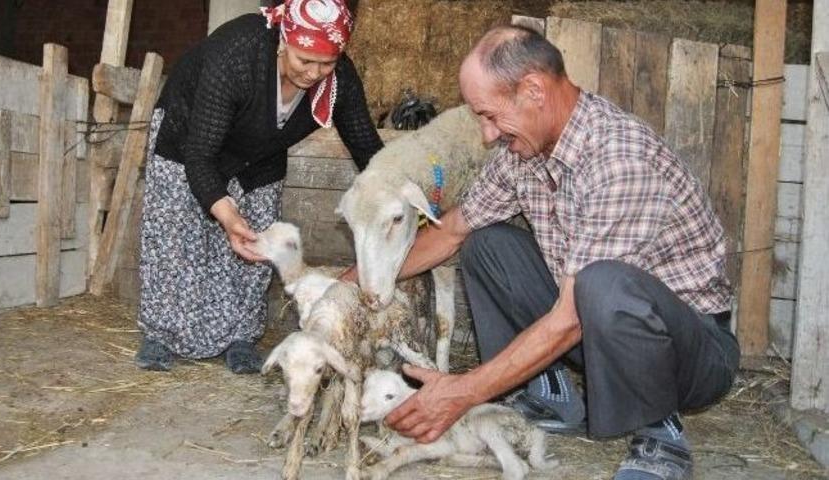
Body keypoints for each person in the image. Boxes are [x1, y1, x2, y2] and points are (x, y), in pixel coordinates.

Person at [370, 26, 740, 480]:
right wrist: (358, 283)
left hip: (689, 354)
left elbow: (571, 319)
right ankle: (547, 392)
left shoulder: (618, 159)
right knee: (487, 245)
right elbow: (451, 230)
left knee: (601, 283)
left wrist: (462, 391)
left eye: (490, 116)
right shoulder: (524, 151)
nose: (486, 136)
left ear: (533, 90)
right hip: (600, 334)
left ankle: (660, 434)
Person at [134, 0, 382, 374]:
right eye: (304, 60)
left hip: (260, 150)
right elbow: (200, 156)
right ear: (285, 39)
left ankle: (240, 337)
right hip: (190, 138)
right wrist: (227, 214)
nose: (315, 72)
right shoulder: (236, 55)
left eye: (326, 62)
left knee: (258, 240)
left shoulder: (340, 81)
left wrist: (398, 190)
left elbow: (366, 147)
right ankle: (161, 334)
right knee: (176, 235)